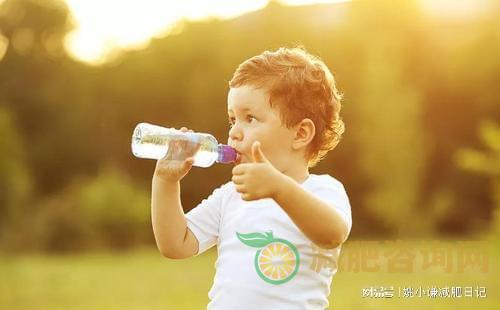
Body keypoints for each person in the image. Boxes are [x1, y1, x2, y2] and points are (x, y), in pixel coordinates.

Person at [151, 47, 352, 309]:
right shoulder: (231, 195)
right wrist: (165, 182)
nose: (234, 132)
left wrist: (279, 188)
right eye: (232, 119)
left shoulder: (322, 190)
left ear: (300, 134)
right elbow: (176, 245)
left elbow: (332, 234)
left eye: (250, 118)